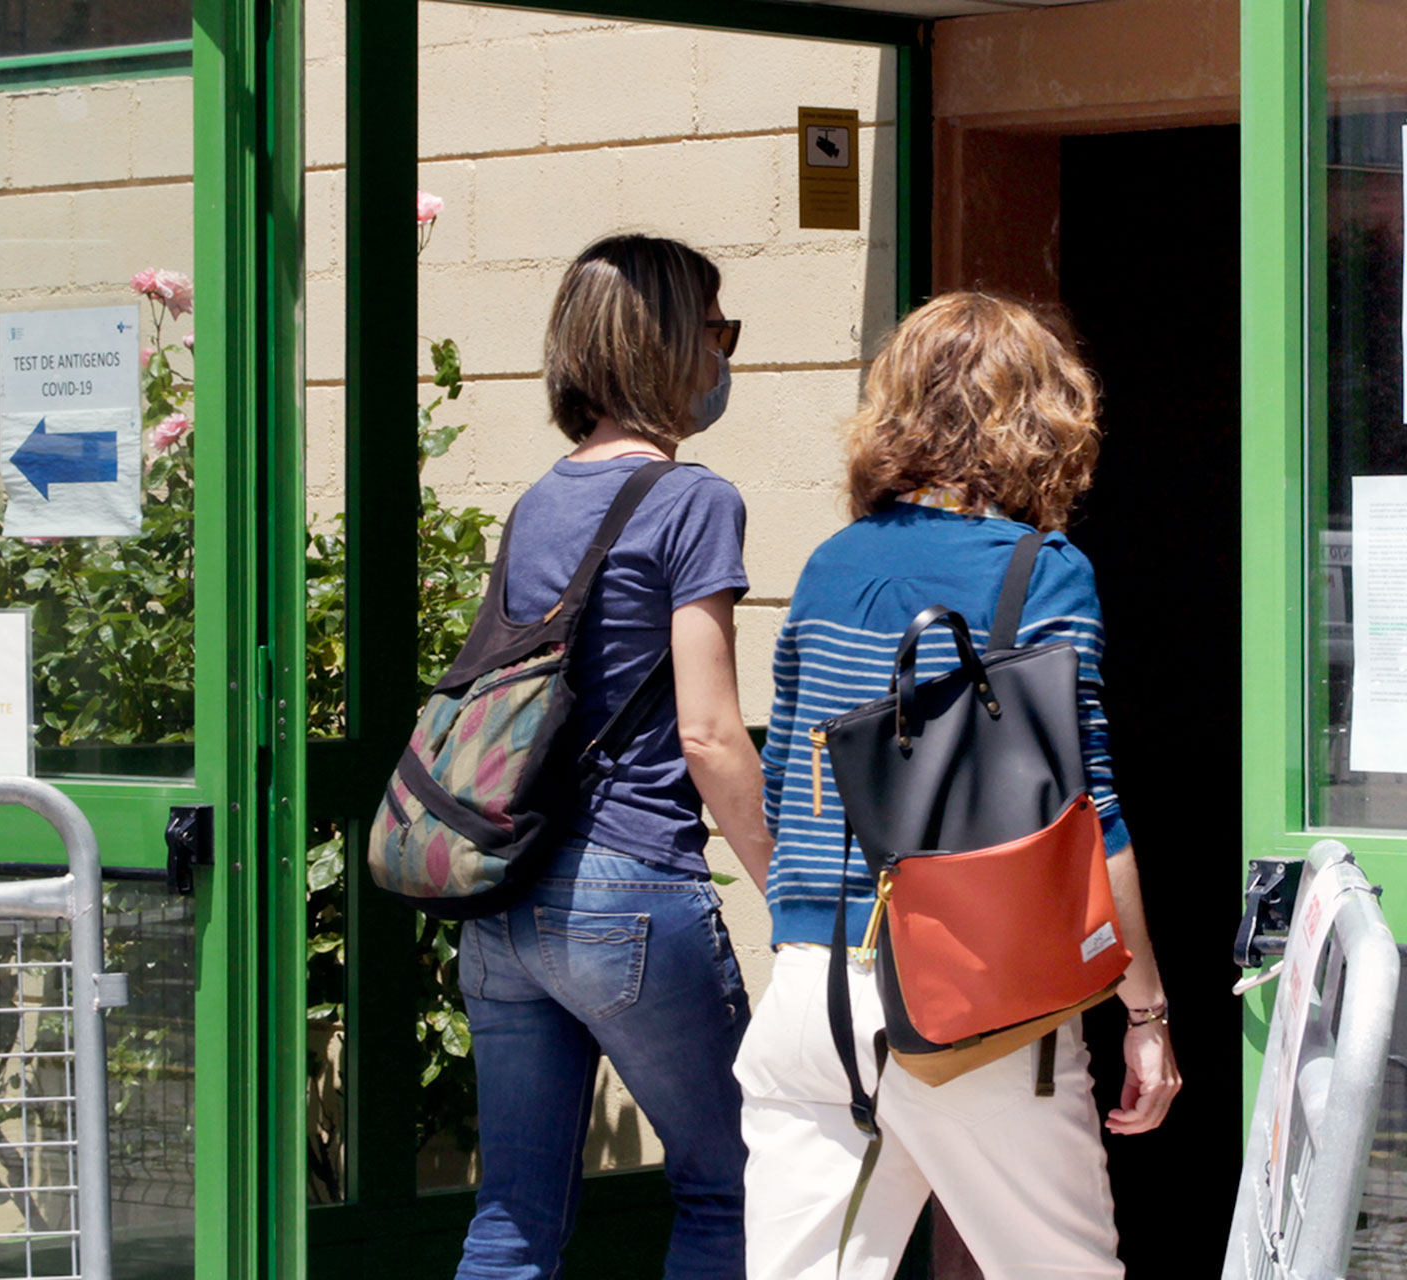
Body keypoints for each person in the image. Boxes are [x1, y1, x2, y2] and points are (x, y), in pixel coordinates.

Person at [737, 292, 1181, 1279]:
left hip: (811, 998)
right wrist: (1142, 1012)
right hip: (974, 999)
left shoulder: (827, 563)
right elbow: (1090, 813)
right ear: (1042, 417)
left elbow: (787, 783)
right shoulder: (1043, 570)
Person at [454, 233, 775, 1280]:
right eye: (718, 331)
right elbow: (710, 730)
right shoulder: (693, 500)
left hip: (505, 899)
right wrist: (794, 886)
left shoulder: (539, 499)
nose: (726, 355)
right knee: (733, 1184)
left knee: (513, 1211)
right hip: (629, 889)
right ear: (672, 347)